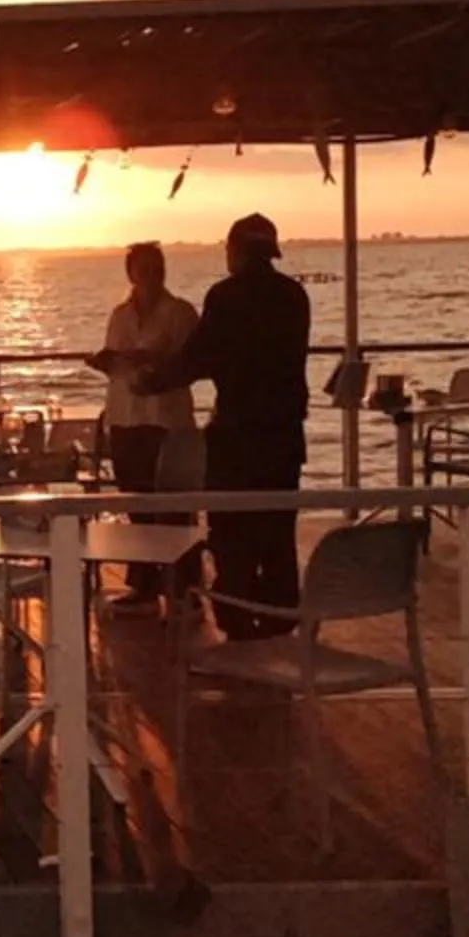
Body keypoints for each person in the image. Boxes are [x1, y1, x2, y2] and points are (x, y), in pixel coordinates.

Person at [137, 212, 311, 640]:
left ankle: (237, 620)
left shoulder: (226, 296)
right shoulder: (294, 296)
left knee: (233, 532)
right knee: (276, 530)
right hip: (285, 434)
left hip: (238, 433)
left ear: (234, 251)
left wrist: (152, 382)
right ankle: (278, 618)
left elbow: (198, 358)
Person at [85, 242, 198, 607]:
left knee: (175, 508)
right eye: (143, 267)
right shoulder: (120, 315)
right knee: (137, 505)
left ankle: (185, 589)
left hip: (165, 419)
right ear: (130, 272)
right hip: (126, 416)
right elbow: (115, 362)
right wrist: (107, 362)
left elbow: (192, 364)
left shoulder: (180, 313)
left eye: (156, 266)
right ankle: (145, 585)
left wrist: (155, 359)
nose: (151, 274)